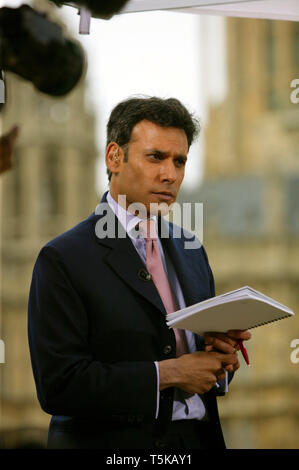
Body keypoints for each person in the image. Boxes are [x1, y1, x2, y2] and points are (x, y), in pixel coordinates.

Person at [28, 96, 251, 449]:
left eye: (179, 161)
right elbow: (59, 386)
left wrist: (218, 359)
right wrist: (168, 374)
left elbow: (197, 369)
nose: (170, 174)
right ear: (114, 157)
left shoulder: (191, 249)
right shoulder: (62, 258)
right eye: (155, 157)